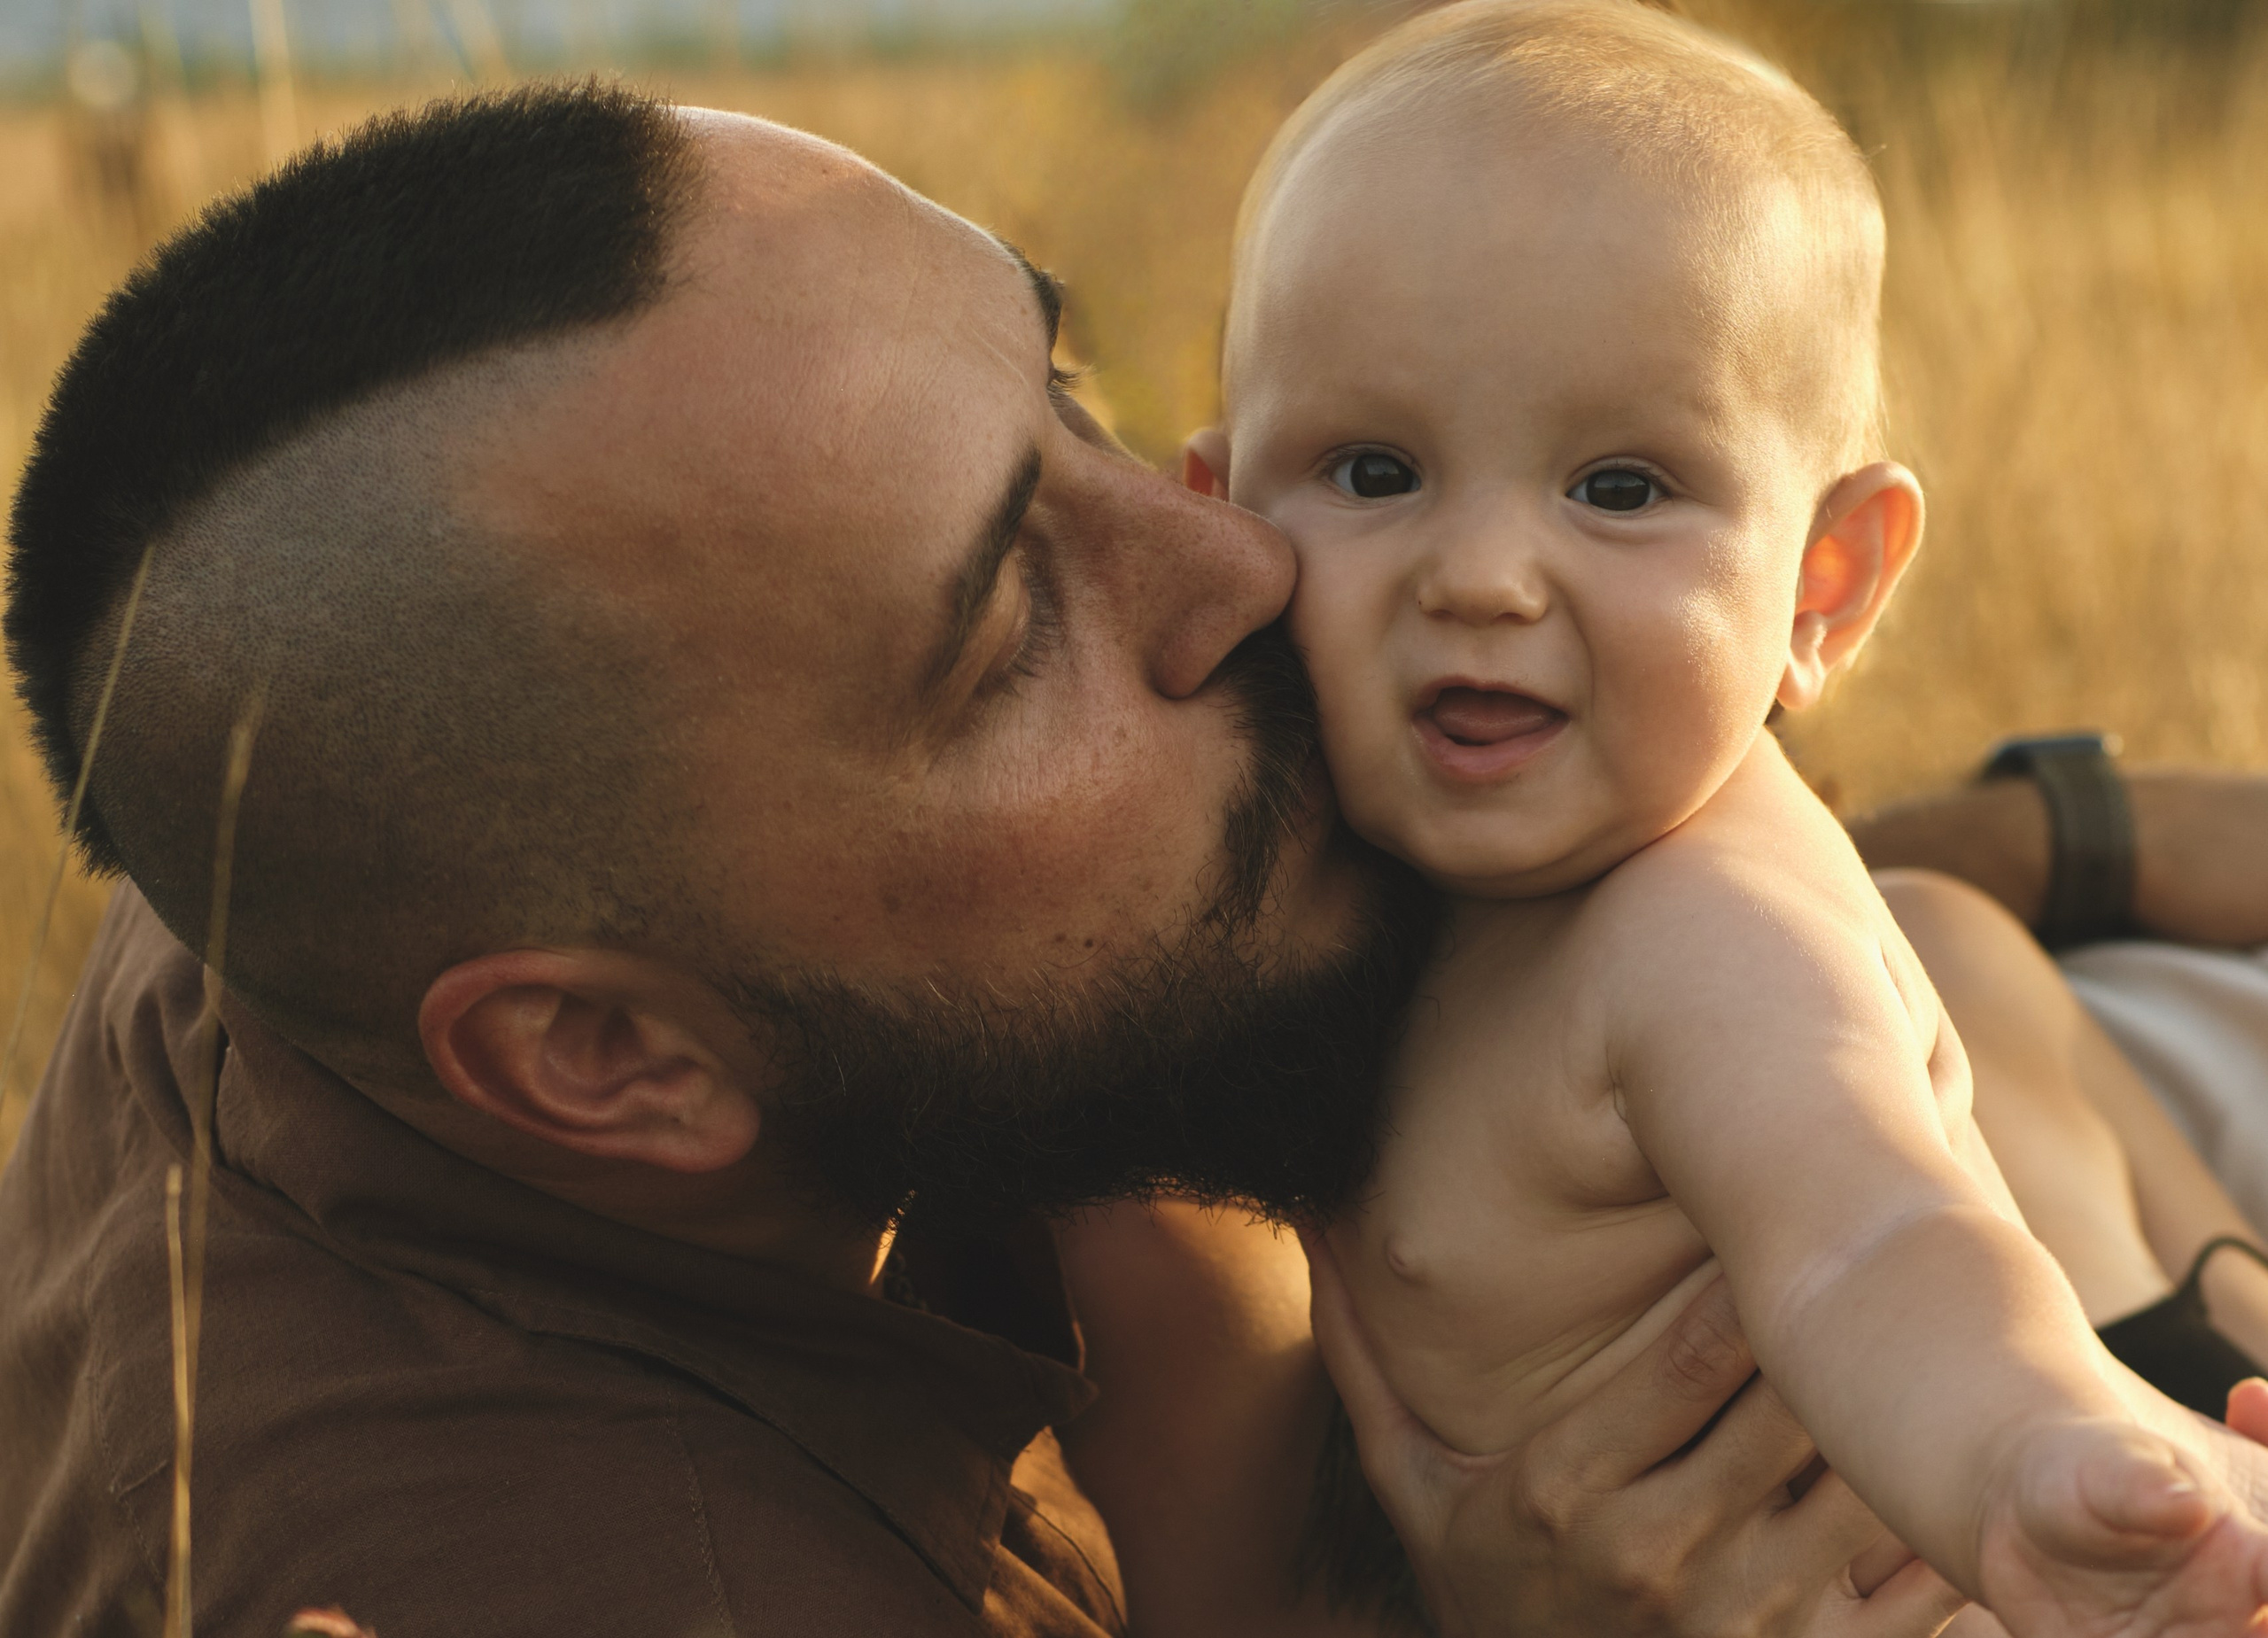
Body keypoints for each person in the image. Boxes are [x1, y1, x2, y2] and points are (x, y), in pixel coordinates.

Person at [0, 82, 1977, 1638]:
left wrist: (2066, 827)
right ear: (610, 1057)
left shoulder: (364, 817)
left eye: (1061, 398)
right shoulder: (651, 1582)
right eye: (1010, 633)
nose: (1238, 554)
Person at [1181, 2, 2268, 1632]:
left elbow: (1879, 1239)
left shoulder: (1703, 925)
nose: (1480, 576)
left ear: (1824, 586)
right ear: (1220, 520)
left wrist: (2026, 1457)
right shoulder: (1340, 881)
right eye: (1373, 471)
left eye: (1620, 488)